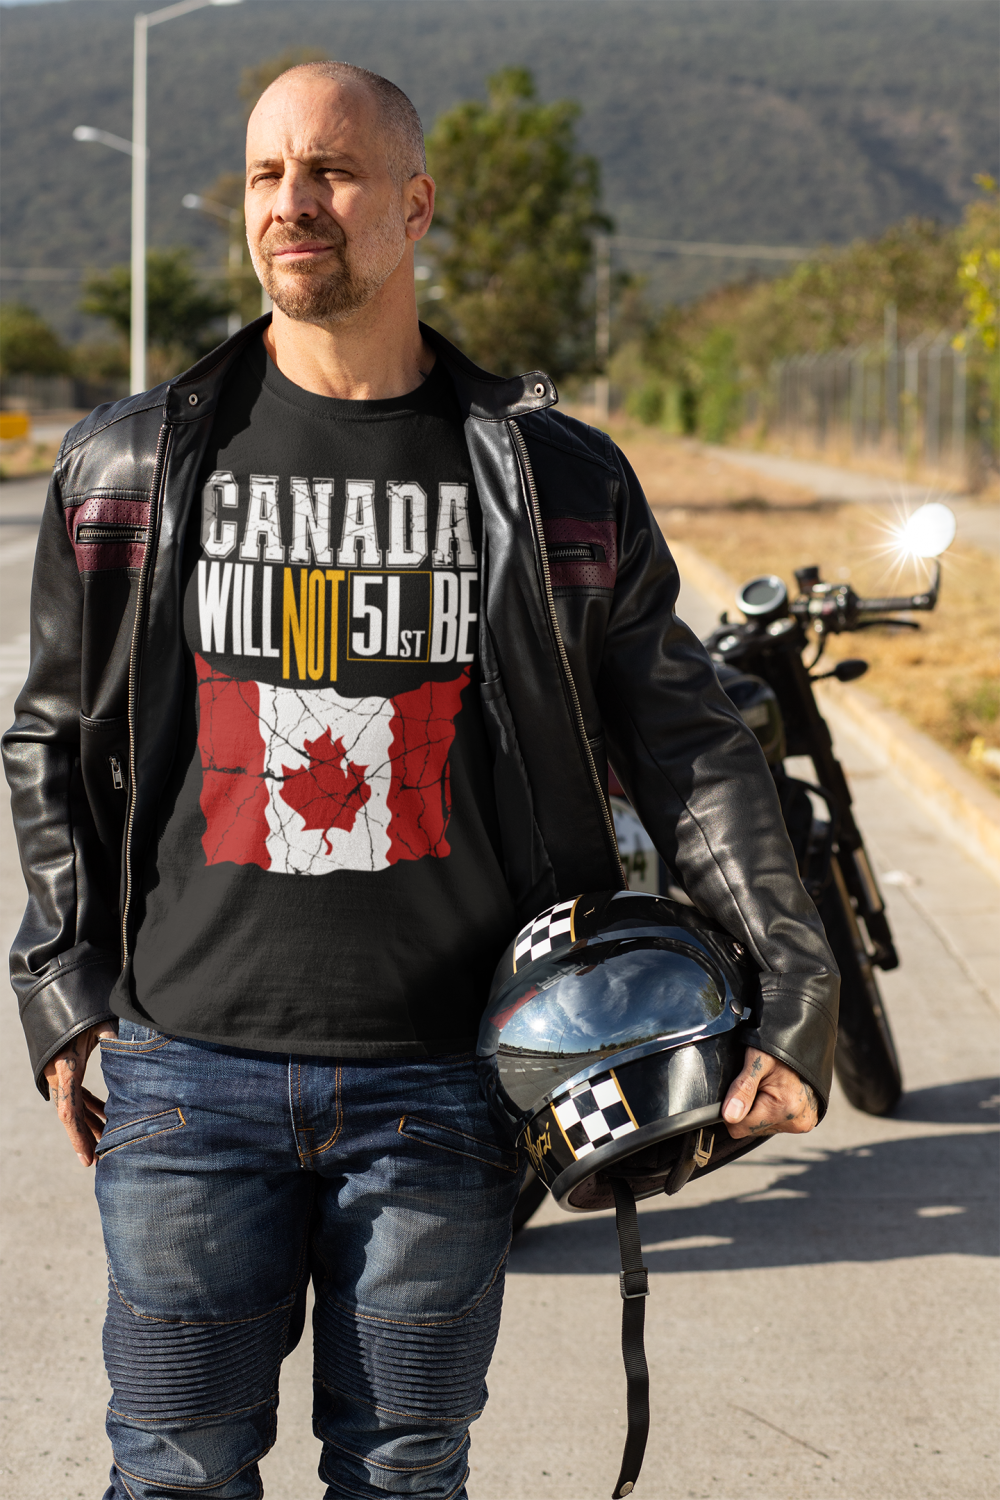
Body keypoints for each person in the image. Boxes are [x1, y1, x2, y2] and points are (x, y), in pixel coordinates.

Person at [3, 61, 838, 1500]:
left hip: (451, 1084)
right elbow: (51, 742)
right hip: (183, 1077)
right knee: (175, 1469)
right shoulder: (129, 464)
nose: (290, 203)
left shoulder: (554, 479)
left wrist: (795, 990)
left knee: (404, 1469)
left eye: (327, 171)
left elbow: (692, 746)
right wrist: (64, 999)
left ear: (414, 204)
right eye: (265, 175)